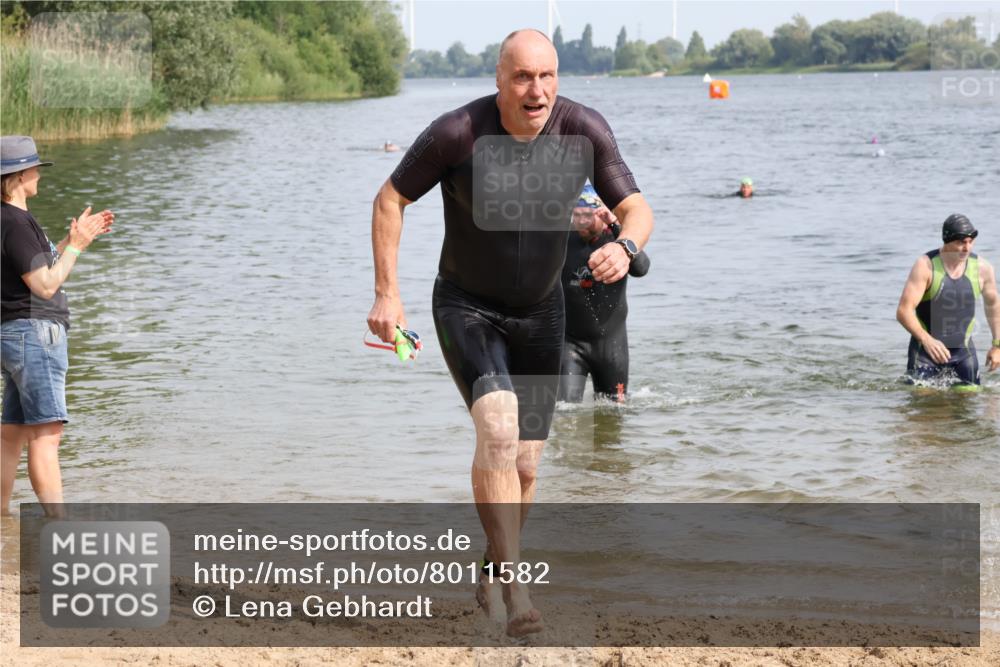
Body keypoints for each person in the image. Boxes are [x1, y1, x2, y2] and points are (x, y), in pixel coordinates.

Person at [366, 29, 654, 636]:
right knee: (497, 429)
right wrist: (388, 292)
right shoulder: (458, 133)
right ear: (499, 79)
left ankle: (492, 569)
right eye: (523, 77)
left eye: (547, 76)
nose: (536, 91)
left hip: (542, 314)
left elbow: (637, 208)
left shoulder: (583, 131)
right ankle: (517, 591)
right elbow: (390, 199)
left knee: (523, 466)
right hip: (466, 306)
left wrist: (626, 247)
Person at [1, 135, 114, 517]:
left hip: (14, 334)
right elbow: (46, 285)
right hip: (34, 335)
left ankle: (2, 521)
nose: (39, 175)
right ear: (19, 176)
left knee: (12, 435)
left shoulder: (10, 220)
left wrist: (71, 239)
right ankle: (59, 528)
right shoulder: (15, 223)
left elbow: (40, 266)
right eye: (35, 169)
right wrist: (77, 247)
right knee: (46, 436)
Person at [559, 183, 650, 403]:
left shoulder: (616, 242)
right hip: (570, 343)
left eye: (587, 216)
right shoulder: (564, 239)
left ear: (601, 214)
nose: (581, 221)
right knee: (564, 410)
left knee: (615, 410)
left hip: (611, 346)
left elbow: (641, 268)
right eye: (576, 215)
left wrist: (617, 227)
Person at [896, 214, 1000, 390]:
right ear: (946, 241)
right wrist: (927, 340)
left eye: (971, 242)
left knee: (969, 403)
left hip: (963, 354)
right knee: (923, 404)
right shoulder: (925, 266)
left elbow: (993, 305)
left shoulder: (983, 268)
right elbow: (903, 311)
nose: (967, 248)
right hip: (926, 352)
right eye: (961, 242)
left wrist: (997, 345)